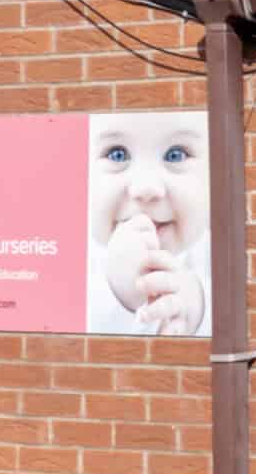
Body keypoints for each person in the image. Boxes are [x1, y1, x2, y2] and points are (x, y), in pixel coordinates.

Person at [85, 111, 210, 336]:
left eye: (176, 155)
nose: (146, 188)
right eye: (117, 154)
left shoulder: (220, 254)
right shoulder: (71, 258)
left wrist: (199, 307)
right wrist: (119, 293)